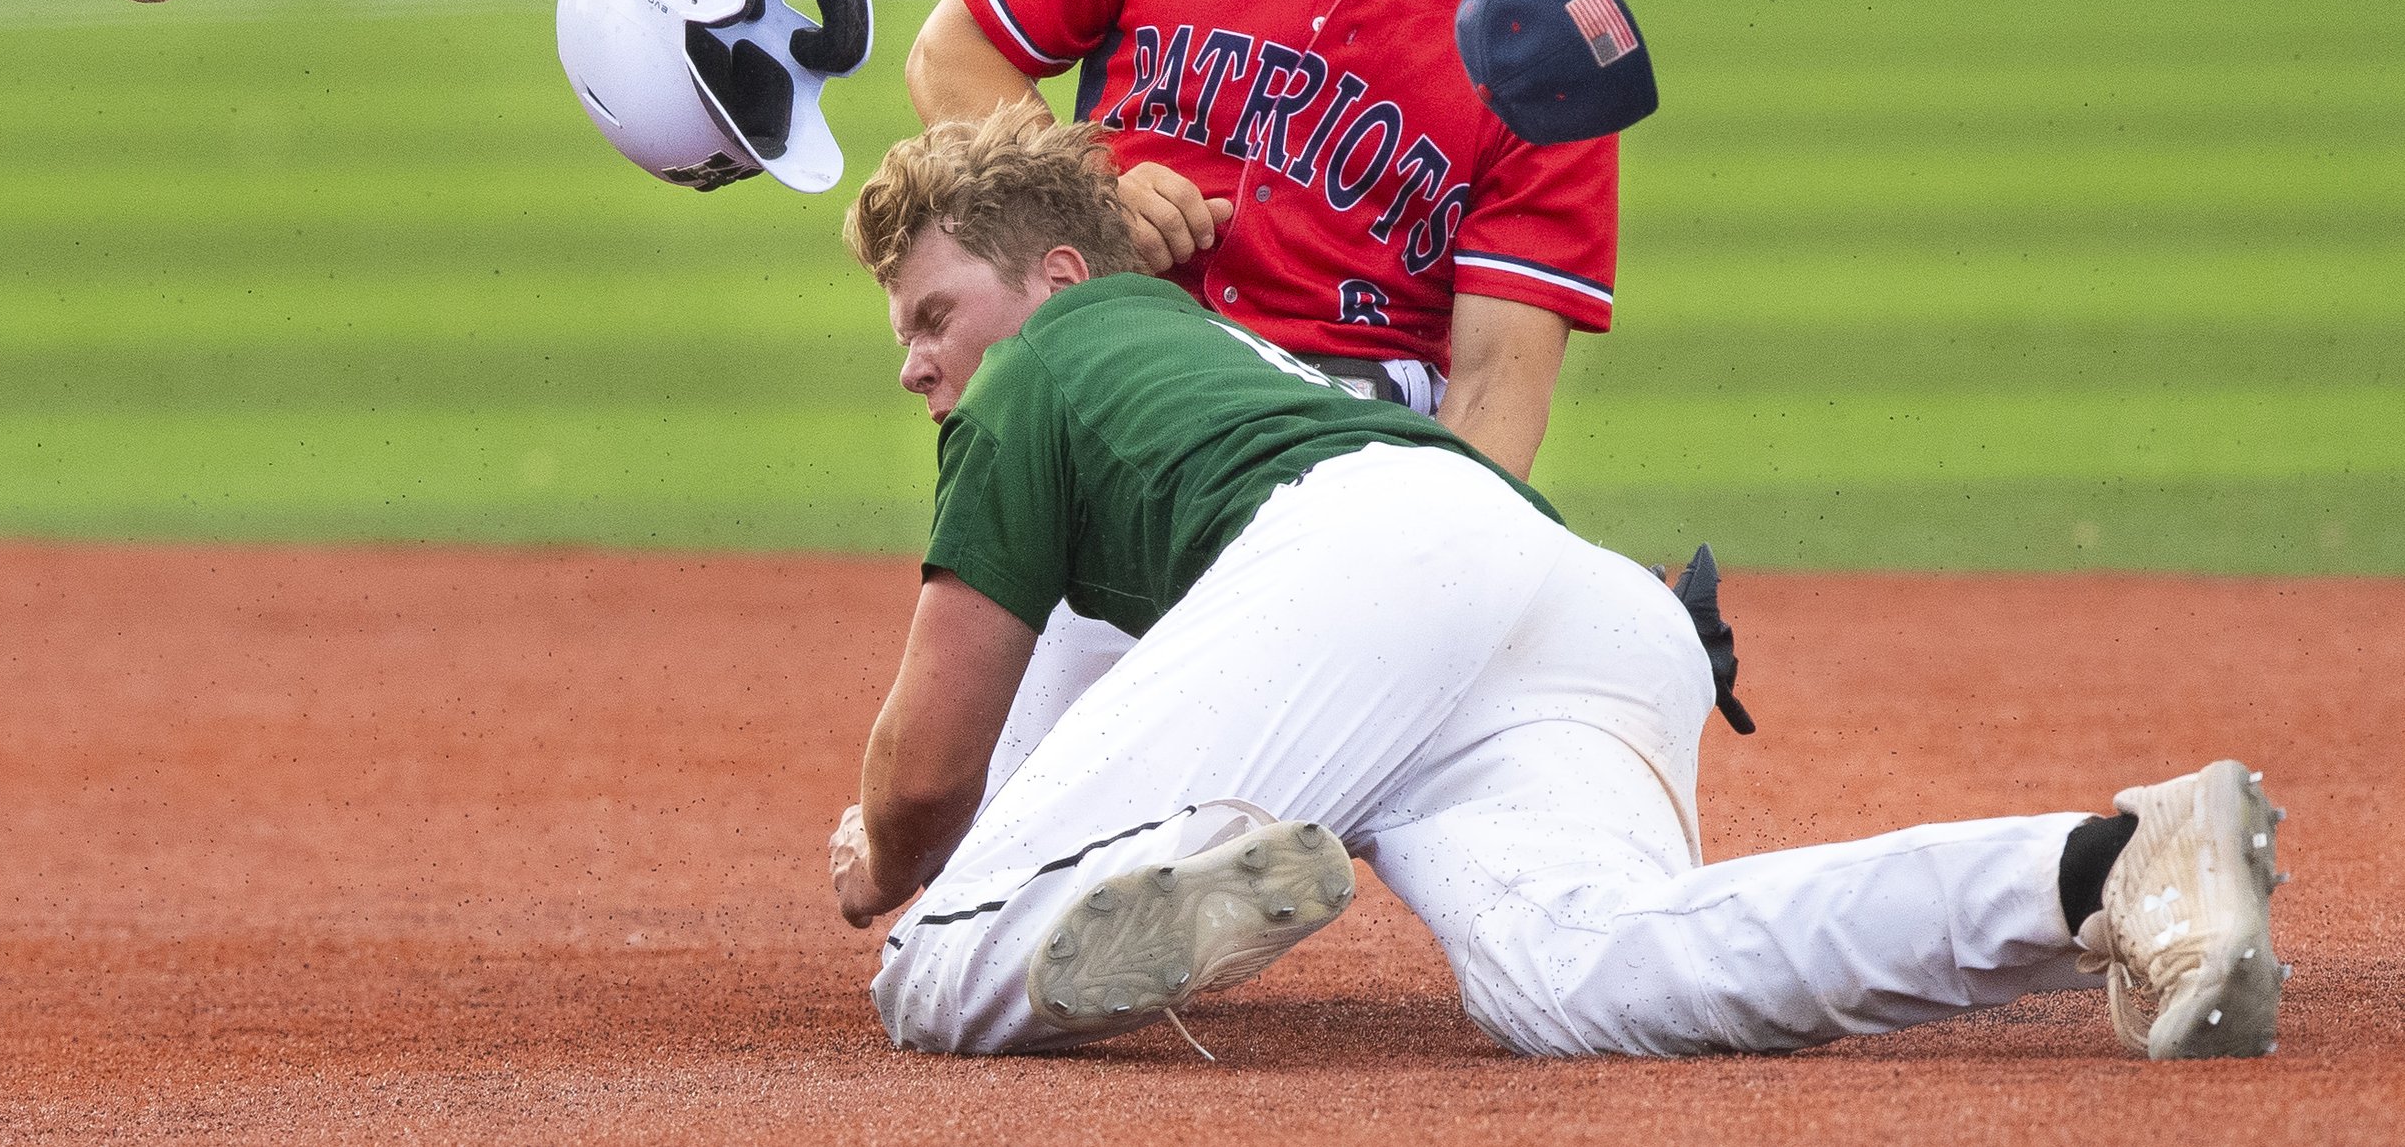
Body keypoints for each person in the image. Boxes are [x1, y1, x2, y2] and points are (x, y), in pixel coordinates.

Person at [827, 108, 2287, 1062]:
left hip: (1364, 562)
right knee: (1586, 978)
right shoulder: (1184, 380)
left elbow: (923, 783)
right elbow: (1049, 708)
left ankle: (1201, 857)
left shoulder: (1034, 378)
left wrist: (878, 864)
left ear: (1063, 271)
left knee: (933, 968)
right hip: (1567, 587)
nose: (915, 360)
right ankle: (2107, 865)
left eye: (935, 311)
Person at [906, 0, 1681, 793]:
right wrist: (1084, 180)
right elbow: (954, 58)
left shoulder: (1559, 55)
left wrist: (1418, 606)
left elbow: (1497, 385)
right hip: (1120, 431)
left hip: (1339, 470)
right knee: (972, 878)